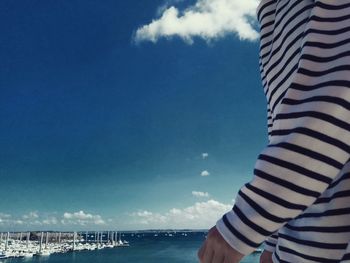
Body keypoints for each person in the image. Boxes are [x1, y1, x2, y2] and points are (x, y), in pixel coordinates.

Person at [198, 0, 350, 262]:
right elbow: (283, 130)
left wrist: (244, 224)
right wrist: (273, 240)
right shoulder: (274, 11)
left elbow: (335, 98)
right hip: (301, 246)